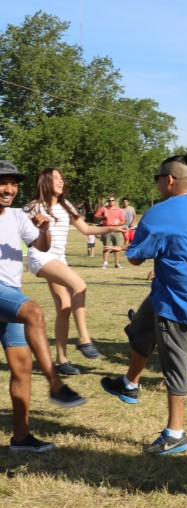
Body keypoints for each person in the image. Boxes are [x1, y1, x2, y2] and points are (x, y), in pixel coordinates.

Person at [99, 153, 187, 455]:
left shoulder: (158, 213)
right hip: (178, 290)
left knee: (175, 363)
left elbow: (136, 259)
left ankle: (175, 434)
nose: (157, 184)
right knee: (140, 329)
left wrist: (134, 245)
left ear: (169, 179)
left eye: (157, 179)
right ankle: (129, 384)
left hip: (180, 296)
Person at [0, 160, 87, 452]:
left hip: (9, 293)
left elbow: (42, 247)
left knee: (22, 368)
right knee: (33, 312)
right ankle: (55, 383)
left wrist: (45, 229)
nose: (8, 189)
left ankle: (21, 438)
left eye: (13, 184)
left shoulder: (17, 216)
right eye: (3, 183)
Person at [23, 168, 126, 375]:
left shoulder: (66, 205)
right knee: (79, 285)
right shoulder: (33, 207)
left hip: (59, 258)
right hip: (41, 257)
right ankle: (84, 339)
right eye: (56, 178)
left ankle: (61, 360)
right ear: (44, 182)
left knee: (65, 307)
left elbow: (86, 229)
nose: (61, 181)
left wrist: (112, 228)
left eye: (61, 178)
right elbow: (21, 232)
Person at [94, 196, 126, 268]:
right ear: (108, 201)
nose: (111, 202)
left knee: (117, 247)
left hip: (116, 230)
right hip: (106, 229)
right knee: (106, 247)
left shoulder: (119, 210)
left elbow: (123, 220)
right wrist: (103, 216)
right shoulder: (104, 209)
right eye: (109, 201)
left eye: (112, 200)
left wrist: (119, 224)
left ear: (115, 201)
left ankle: (117, 263)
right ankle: (105, 263)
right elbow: (95, 216)